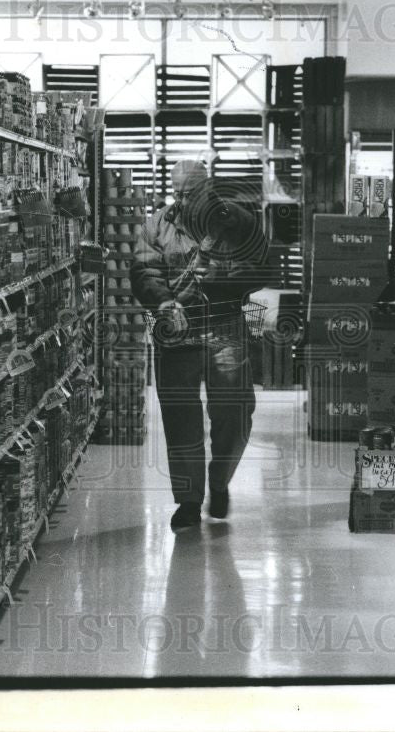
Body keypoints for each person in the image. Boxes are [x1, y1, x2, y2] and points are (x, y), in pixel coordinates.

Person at [130, 160, 270, 530]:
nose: (180, 199)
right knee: (181, 419)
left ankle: (220, 481)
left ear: (208, 189)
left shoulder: (237, 220)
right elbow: (144, 271)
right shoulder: (156, 224)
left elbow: (264, 267)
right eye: (176, 191)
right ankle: (189, 500)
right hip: (175, 334)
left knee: (235, 414)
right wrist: (163, 302)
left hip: (226, 329)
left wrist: (224, 277)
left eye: (189, 193)